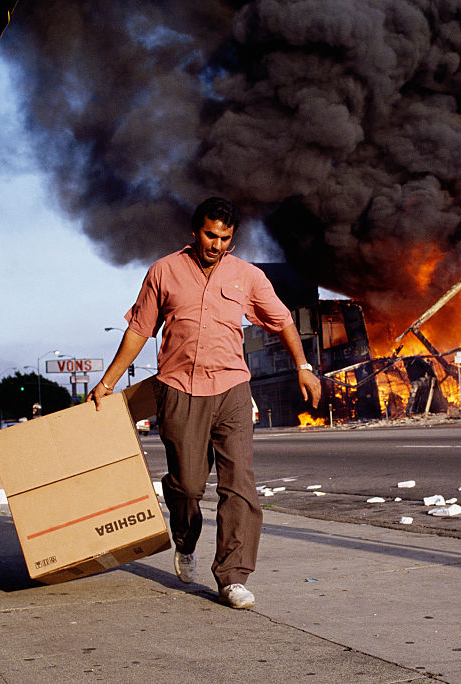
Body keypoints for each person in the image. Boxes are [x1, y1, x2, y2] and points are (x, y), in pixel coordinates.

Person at [88, 197, 321, 610]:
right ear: (195, 232)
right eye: (211, 235)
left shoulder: (246, 276)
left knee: (240, 487)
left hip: (232, 389)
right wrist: (107, 383)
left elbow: (282, 318)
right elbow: (140, 330)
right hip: (179, 389)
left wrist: (303, 365)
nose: (217, 244)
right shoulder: (164, 271)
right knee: (188, 485)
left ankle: (232, 577)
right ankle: (185, 538)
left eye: (225, 238)